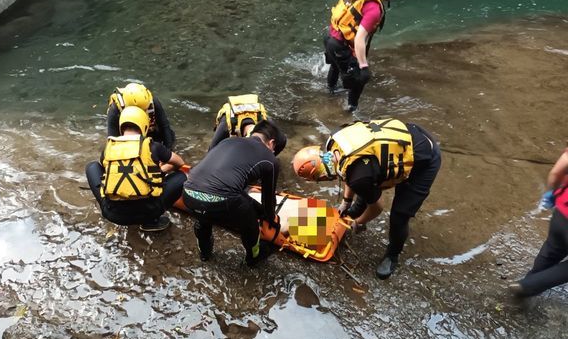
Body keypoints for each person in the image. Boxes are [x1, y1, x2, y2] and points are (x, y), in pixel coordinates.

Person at [293, 118, 441, 279]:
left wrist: (360, 222)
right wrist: (346, 202)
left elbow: (377, 207)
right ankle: (356, 208)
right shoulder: (333, 142)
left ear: (322, 176)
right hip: (406, 135)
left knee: (399, 216)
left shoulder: (357, 177)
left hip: (423, 158)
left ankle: (392, 255)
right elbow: (347, 169)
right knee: (364, 183)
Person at [183, 119, 284, 266]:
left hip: (188, 193)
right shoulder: (270, 159)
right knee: (250, 226)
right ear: (272, 143)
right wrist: (271, 221)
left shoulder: (227, 142)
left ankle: (205, 253)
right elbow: (268, 200)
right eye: (274, 149)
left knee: (203, 217)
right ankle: (253, 257)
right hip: (222, 201)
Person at [86, 106, 186, 231]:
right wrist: (160, 172)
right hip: (148, 212)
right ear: (144, 126)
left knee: (92, 166)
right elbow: (180, 162)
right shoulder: (153, 146)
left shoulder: (109, 148)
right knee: (182, 176)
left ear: (121, 128)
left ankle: (108, 206)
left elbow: (108, 170)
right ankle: (152, 222)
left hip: (113, 214)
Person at [325, 0, 406, 112]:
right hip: (339, 45)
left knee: (336, 65)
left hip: (330, 36)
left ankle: (329, 91)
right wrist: (363, 67)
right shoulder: (374, 10)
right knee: (359, 79)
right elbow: (359, 39)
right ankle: (351, 111)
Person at [510, 147, 568, 296]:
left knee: (552, 251)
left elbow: (556, 172)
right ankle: (527, 286)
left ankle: (527, 284)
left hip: (561, 214)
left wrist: (552, 193)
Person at [209, 94, 287, 155]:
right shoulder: (225, 126)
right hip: (231, 120)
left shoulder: (265, 123)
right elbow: (211, 152)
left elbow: (283, 140)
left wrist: (271, 155)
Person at [107, 83, 176, 150]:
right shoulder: (115, 109)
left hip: (149, 132)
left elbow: (164, 127)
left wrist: (168, 151)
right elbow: (112, 139)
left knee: (170, 135)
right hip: (127, 138)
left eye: (145, 109)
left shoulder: (152, 101)